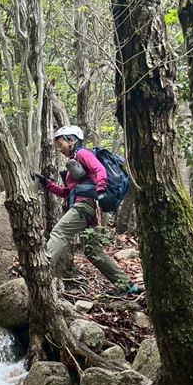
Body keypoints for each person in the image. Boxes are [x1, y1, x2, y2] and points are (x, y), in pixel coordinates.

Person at [33, 126, 139, 294]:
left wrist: (101, 190)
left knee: (59, 232)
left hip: (85, 205)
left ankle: (40, 272)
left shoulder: (82, 153)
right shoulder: (74, 165)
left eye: (60, 144)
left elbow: (99, 169)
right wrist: (47, 184)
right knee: (92, 251)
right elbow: (67, 192)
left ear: (71, 140)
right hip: (89, 210)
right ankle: (127, 286)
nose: (59, 149)